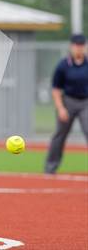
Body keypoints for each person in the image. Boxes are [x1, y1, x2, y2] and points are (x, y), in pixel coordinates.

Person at [44, 34, 88, 174]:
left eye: (81, 45)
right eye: (76, 45)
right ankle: (50, 168)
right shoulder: (63, 65)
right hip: (68, 101)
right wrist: (61, 108)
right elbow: (56, 89)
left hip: (85, 102)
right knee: (60, 135)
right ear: (71, 46)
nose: (79, 48)